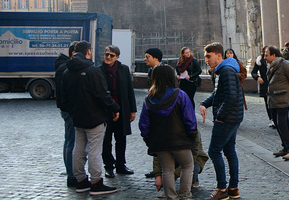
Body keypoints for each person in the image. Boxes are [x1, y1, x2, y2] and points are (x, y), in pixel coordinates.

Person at [62, 40, 120, 195]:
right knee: (94, 150)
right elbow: (102, 94)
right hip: (94, 116)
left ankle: (81, 181)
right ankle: (96, 182)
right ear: (88, 52)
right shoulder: (92, 70)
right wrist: (115, 108)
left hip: (77, 117)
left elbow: (64, 97)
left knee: (78, 149)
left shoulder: (67, 71)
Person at [139, 65, 196, 200]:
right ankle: (185, 196)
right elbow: (190, 120)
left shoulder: (149, 99)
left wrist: (148, 139)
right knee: (187, 166)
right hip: (180, 140)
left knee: (167, 170)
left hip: (159, 142)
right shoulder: (180, 95)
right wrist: (191, 135)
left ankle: (171, 197)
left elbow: (144, 125)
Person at [199, 42, 244, 200]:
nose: (206, 60)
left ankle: (221, 188)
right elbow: (218, 94)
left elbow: (230, 97)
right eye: (205, 57)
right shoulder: (223, 70)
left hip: (227, 119)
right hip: (233, 117)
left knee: (214, 151)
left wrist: (219, 116)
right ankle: (233, 188)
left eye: (208, 56)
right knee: (229, 151)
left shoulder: (225, 71)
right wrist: (204, 103)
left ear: (219, 55)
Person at [101, 45, 136, 178]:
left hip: (122, 109)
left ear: (117, 57)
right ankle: (108, 166)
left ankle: (121, 165)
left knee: (121, 138)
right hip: (105, 111)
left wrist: (132, 110)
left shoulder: (123, 69)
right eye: (107, 54)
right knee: (106, 139)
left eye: (112, 55)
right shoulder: (99, 70)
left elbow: (129, 90)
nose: (108, 57)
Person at [264, 45, 289, 159]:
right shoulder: (272, 65)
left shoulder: (286, 65)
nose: (264, 57)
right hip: (274, 99)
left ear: (273, 55)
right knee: (278, 124)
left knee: (282, 124)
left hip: (283, 99)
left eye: (266, 55)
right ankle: (285, 147)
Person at [55, 41, 78, 187]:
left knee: (68, 141)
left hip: (65, 109)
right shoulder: (67, 68)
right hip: (71, 110)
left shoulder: (61, 66)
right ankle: (72, 175)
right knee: (71, 142)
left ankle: (71, 173)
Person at [251, 46, 276, 128]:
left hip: (275, 84)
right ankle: (271, 119)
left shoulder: (275, 61)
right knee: (268, 102)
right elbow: (253, 72)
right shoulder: (260, 61)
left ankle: (276, 118)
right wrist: (258, 77)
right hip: (265, 84)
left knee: (276, 102)